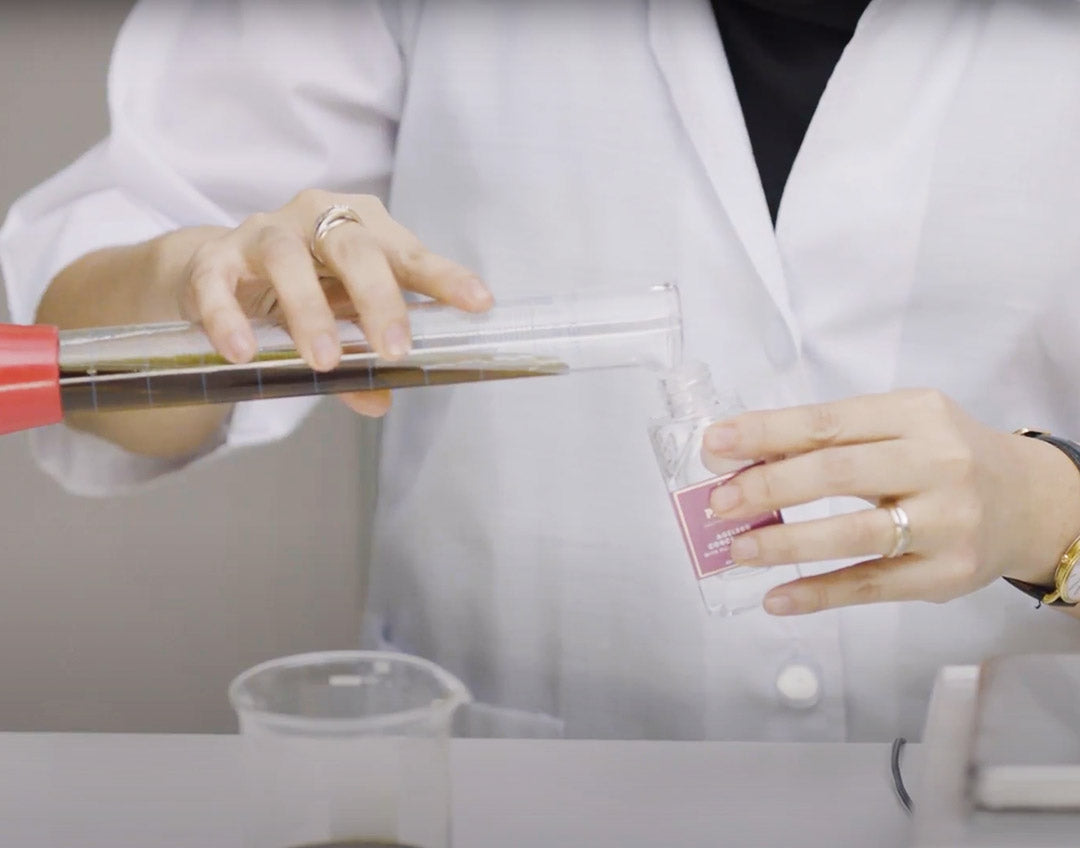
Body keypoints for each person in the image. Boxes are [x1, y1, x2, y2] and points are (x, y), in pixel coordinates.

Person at [3, 0, 1080, 742]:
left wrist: (1046, 513)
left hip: (1005, 788)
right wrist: (198, 279)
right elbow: (82, 341)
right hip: (517, 787)